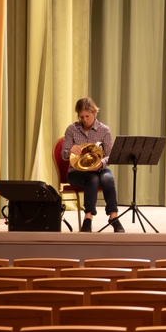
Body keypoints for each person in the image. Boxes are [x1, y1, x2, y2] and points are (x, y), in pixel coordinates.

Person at [62, 97, 123, 233]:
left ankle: (113, 216)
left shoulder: (104, 130)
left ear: (94, 113)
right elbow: (63, 154)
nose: (84, 119)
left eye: (87, 116)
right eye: (81, 116)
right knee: (92, 179)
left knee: (108, 179)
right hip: (76, 172)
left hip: (99, 168)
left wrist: (101, 163)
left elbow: (110, 155)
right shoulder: (72, 129)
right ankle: (88, 217)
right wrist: (70, 149)